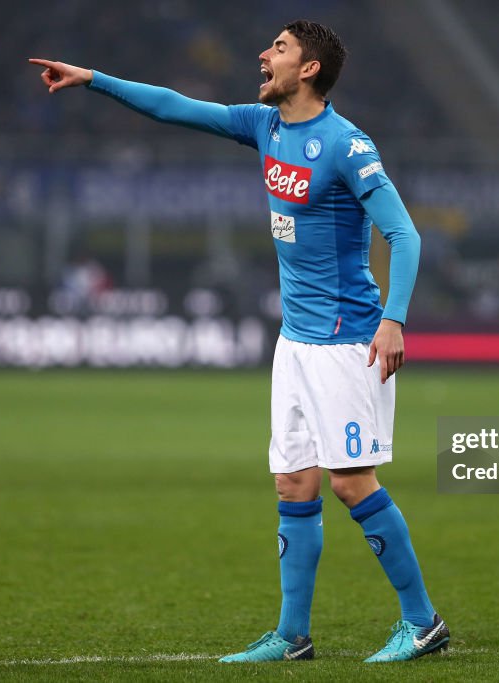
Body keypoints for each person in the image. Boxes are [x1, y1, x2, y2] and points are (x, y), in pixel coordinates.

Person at [29, 19, 447, 663]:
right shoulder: (265, 124)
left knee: (350, 483)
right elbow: (177, 108)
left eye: (279, 48)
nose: (264, 53)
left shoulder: (345, 144)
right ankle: (291, 637)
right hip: (296, 341)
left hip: (347, 339)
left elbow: (406, 235)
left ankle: (423, 624)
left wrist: (394, 319)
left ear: (309, 69)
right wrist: (93, 81)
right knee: (293, 485)